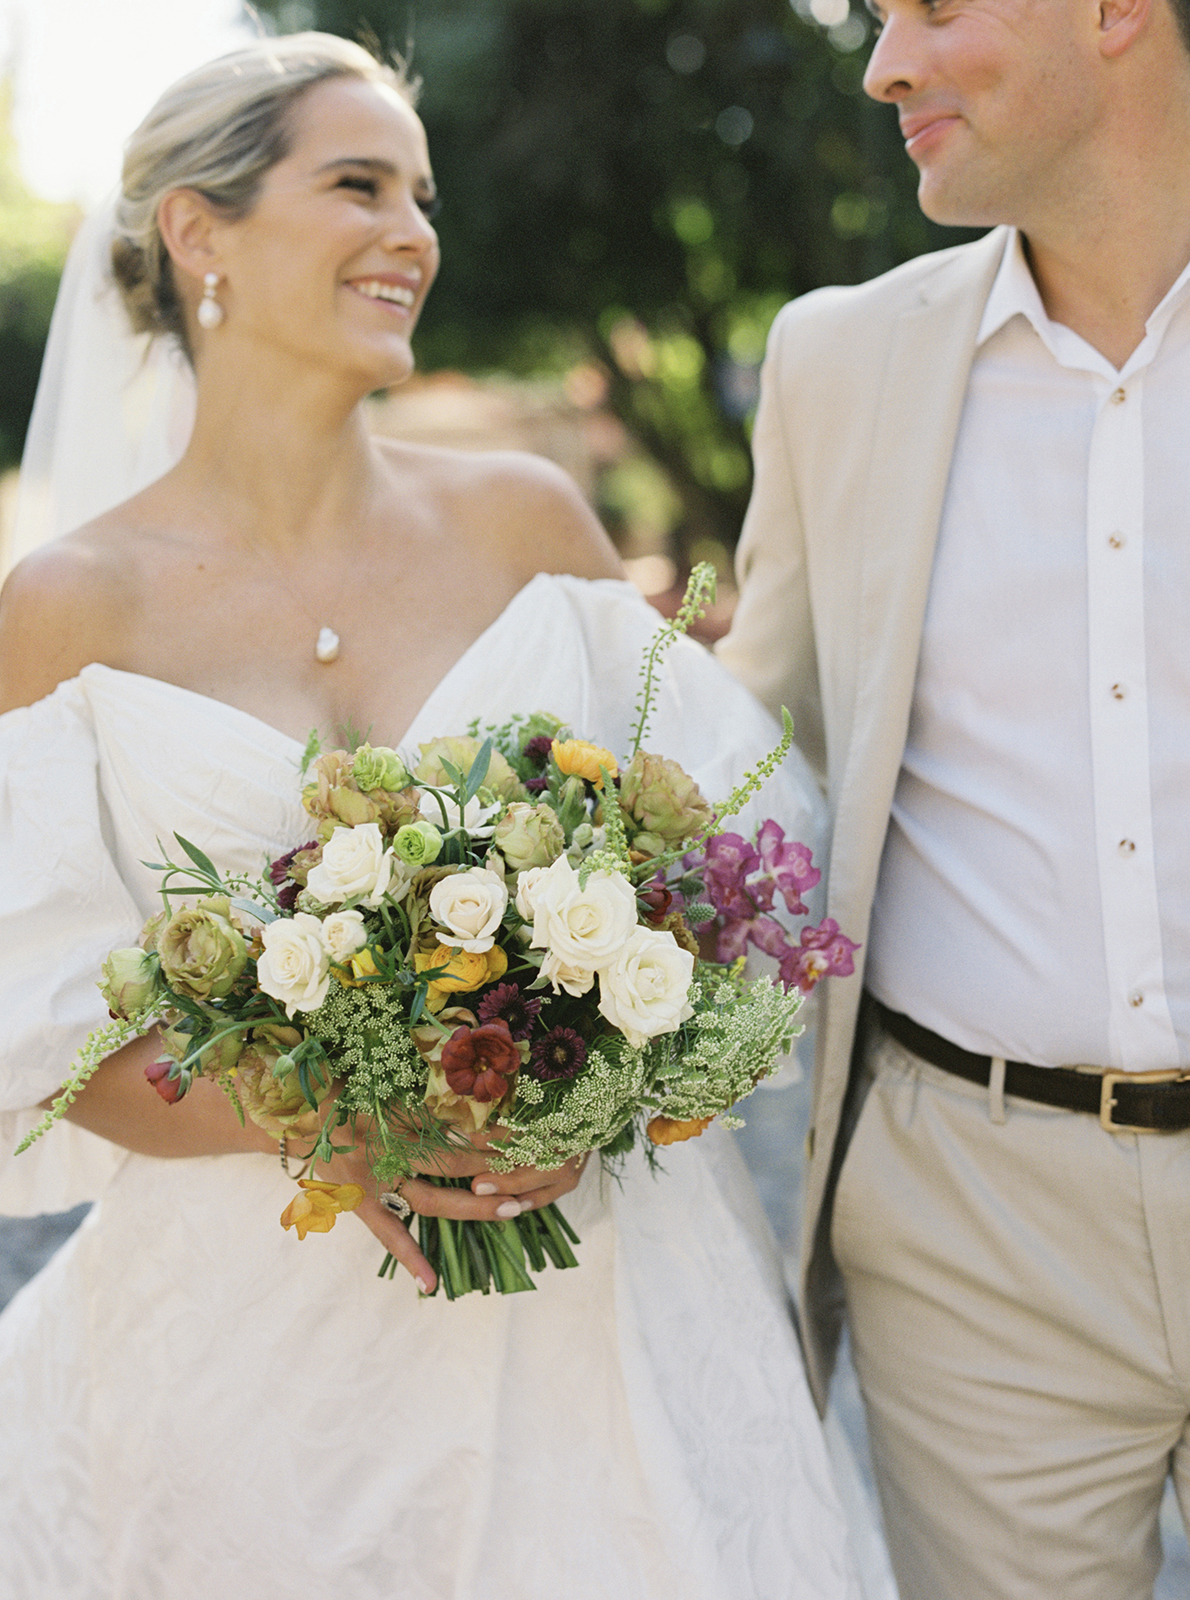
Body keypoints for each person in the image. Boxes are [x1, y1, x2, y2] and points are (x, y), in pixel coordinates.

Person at [0, 33, 882, 1600]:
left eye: (422, 192)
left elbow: (713, 886)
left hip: (597, 1312)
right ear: (200, 232)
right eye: (359, 185)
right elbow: (53, 1039)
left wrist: (599, 1071)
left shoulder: (525, 520)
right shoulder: (71, 608)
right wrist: (347, 1124)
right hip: (257, 1374)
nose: (414, 230)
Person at [718, 0, 1190, 1593]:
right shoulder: (836, 359)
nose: (881, 65)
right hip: (968, 1215)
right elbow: (746, 749)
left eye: (930, 6)